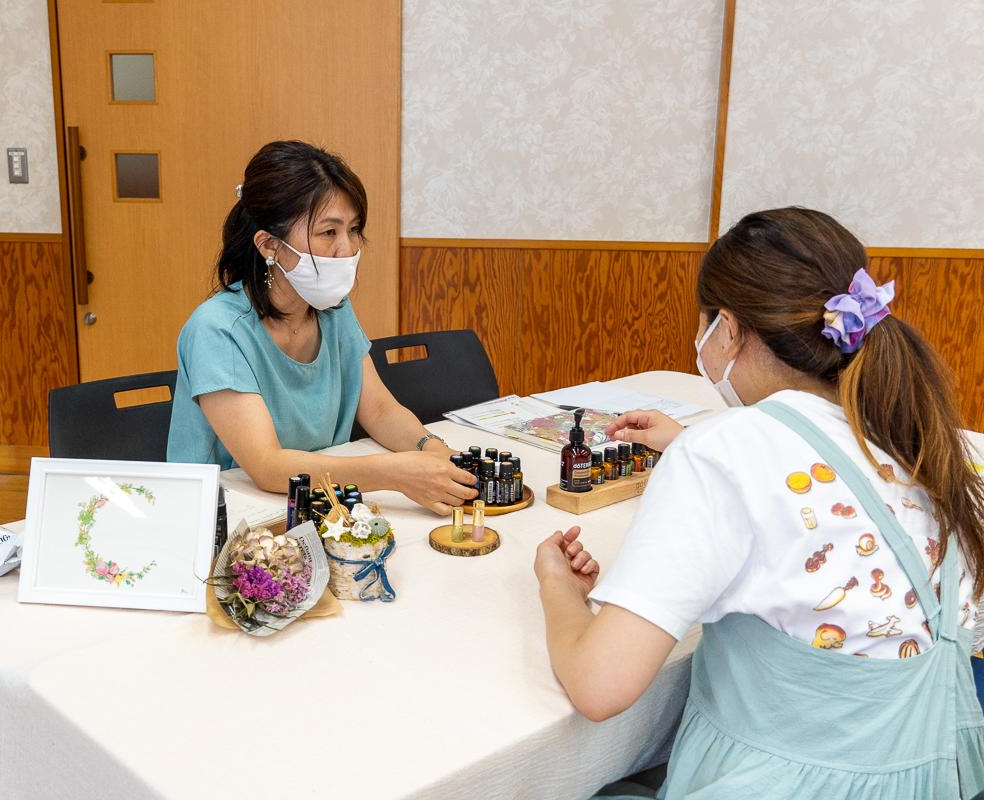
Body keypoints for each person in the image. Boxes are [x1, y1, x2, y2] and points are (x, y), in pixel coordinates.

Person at [534, 208, 984, 797]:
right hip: (935, 776)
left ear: (726, 327)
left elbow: (599, 686)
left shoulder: (722, 452)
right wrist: (697, 444)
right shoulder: (916, 434)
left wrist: (559, 590)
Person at [167, 140, 476, 514]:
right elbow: (267, 466)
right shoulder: (216, 329)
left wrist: (434, 450)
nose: (347, 249)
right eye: (329, 233)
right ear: (269, 245)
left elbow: (380, 410)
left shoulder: (333, 310)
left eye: (354, 229)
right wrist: (397, 473)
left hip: (318, 501)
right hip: (231, 515)